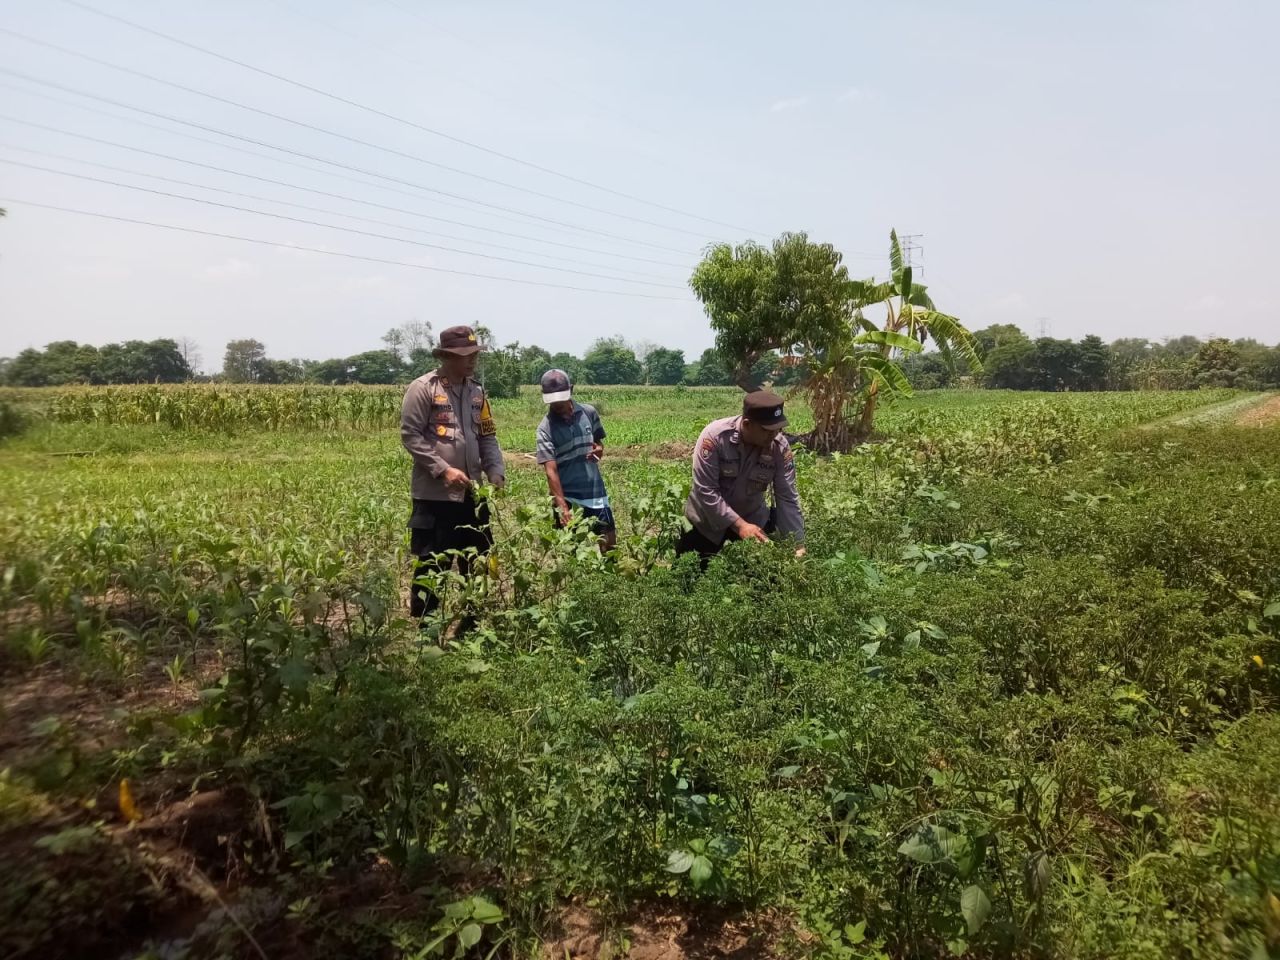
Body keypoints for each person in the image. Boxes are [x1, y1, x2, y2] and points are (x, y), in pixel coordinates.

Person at [400, 325, 505, 624]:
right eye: (463, 355)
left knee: (478, 559)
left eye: (474, 354)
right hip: (436, 496)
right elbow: (411, 436)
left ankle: (472, 621)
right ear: (446, 356)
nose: (471, 360)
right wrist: (443, 470)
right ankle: (427, 627)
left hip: (473, 493)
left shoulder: (477, 392)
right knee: (433, 562)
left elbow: (487, 436)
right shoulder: (424, 388)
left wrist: (495, 470)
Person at [677, 389, 805, 567]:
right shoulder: (715, 438)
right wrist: (739, 525)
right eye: (767, 430)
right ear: (747, 424)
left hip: (752, 524)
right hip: (705, 525)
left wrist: (797, 543)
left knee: (752, 586)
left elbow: (787, 496)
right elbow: (706, 491)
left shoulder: (779, 447)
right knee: (689, 580)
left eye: (778, 429)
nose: (774, 435)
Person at [535, 369, 616, 551]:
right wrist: (562, 505)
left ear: (571, 389)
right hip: (567, 497)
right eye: (552, 399)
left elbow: (598, 442)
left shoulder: (589, 412)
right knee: (571, 552)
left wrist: (599, 450)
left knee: (609, 546)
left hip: (595, 493)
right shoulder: (544, 429)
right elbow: (551, 470)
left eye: (561, 397)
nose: (557, 403)